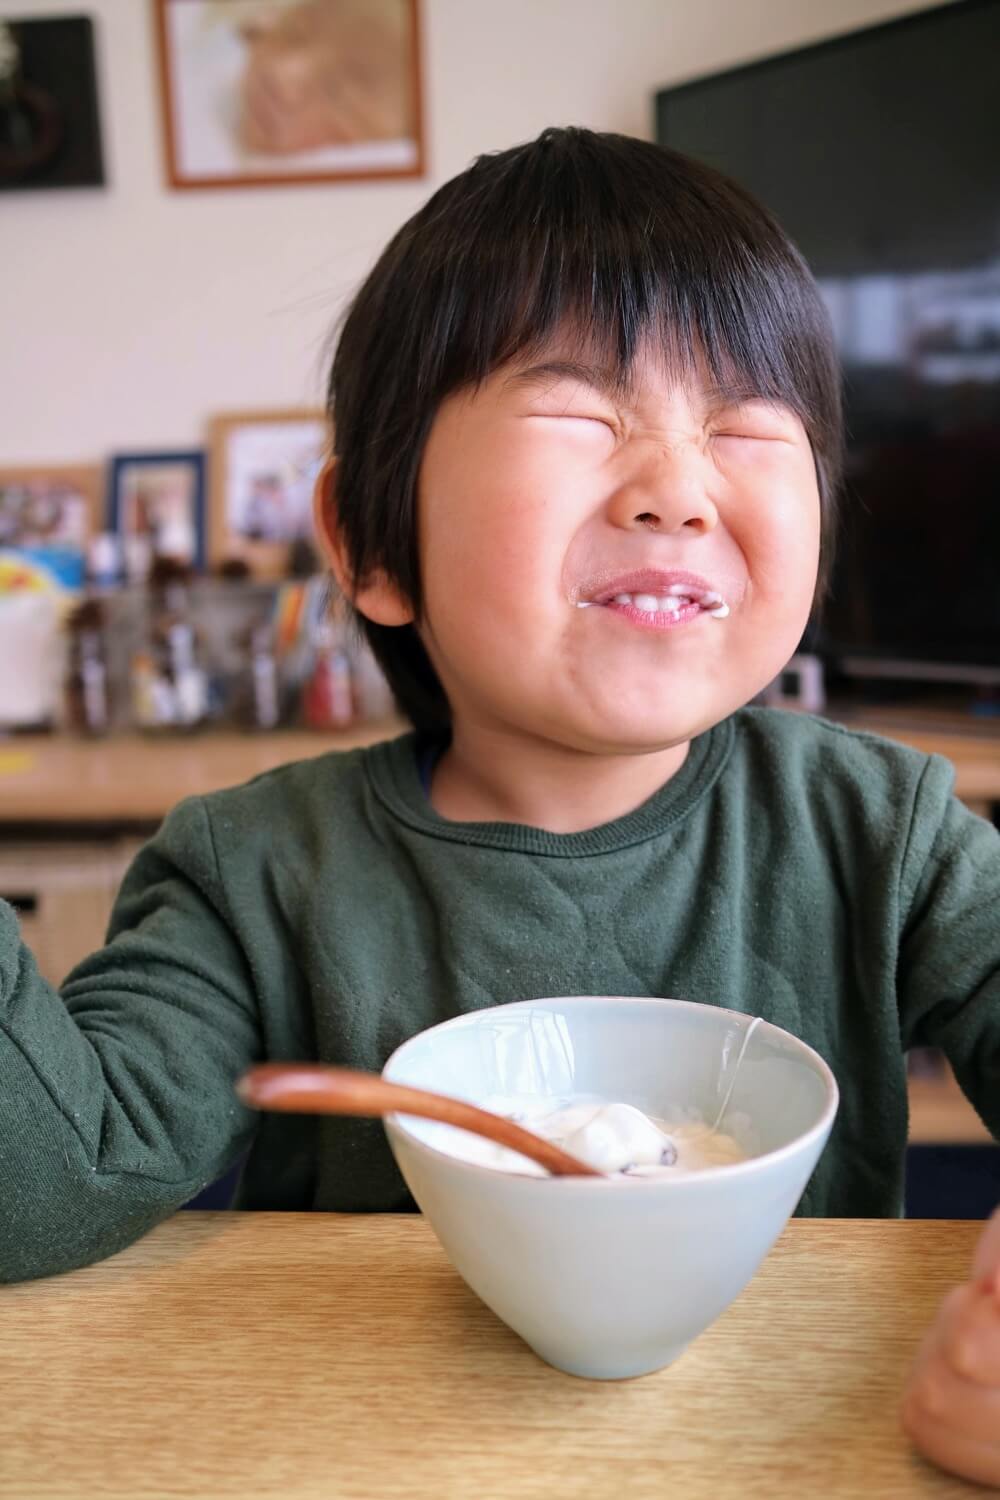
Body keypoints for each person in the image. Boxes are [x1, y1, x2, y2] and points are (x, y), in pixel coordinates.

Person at [1, 128, 997, 1483]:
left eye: (746, 428)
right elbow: (49, 1187)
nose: (677, 491)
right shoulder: (254, 874)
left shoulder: (890, 832)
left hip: (787, 1448)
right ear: (369, 541)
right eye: (580, 417)